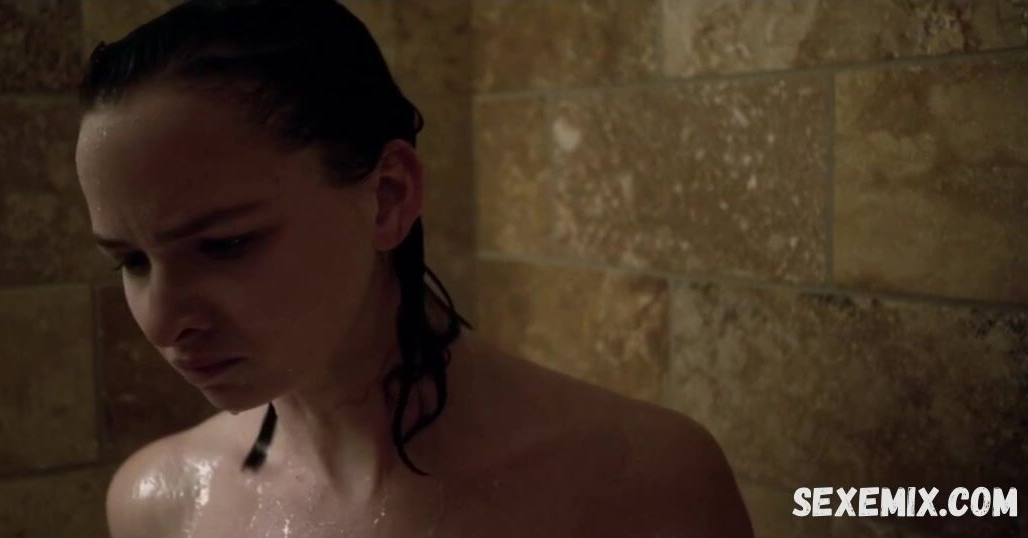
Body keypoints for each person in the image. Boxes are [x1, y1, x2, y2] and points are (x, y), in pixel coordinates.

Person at [75, 1, 753, 536]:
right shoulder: (158, 505)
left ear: (389, 196)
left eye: (225, 244)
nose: (161, 321)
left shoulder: (641, 485)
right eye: (131, 260)